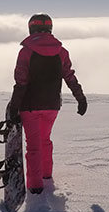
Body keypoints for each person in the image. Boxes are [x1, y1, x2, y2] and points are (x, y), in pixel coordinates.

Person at [6, 13, 87, 194]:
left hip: (30, 106)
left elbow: (21, 82)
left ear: (31, 28)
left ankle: (35, 186)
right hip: (52, 105)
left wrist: (13, 107)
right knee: (45, 140)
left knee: (33, 145)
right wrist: (80, 98)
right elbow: (70, 77)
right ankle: (46, 175)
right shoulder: (61, 52)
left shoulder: (26, 51)